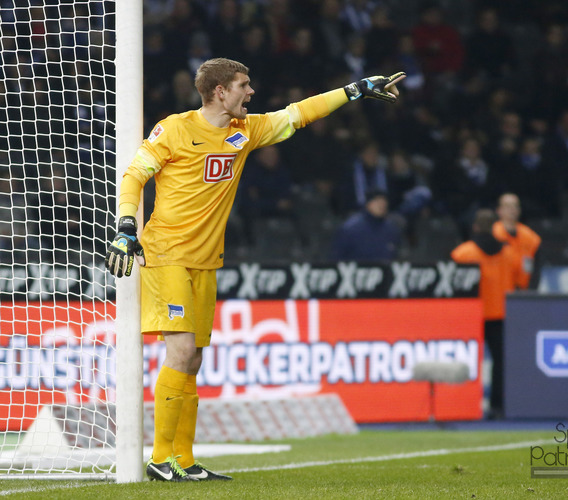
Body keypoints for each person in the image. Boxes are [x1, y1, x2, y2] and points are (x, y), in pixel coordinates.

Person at [105, 57, 405, 482]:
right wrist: (125, 227)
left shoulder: (245, 132)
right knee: (182, 351)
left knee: (194, 362)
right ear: (219, 91)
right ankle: (159, 458)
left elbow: (298, 113)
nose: (251, 92)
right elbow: (135, 176)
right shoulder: (173, 128)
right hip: (166, 253)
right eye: (244, 85)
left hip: (207, 261)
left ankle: (185, 461)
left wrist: (353, 91)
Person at [451, 209, 521, 419]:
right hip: (499, 313)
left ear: (474, 227)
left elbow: (454, 285)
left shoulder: (463, 253)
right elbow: (521, 280)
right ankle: (497, 406)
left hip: (471, 314)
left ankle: (462, 404)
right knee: (500, 361)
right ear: (494, 227)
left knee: (465, 358)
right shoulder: (508, 252)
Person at [329, 188, 402, 261]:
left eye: (383, 202)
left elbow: (399, 255)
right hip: (357, 271)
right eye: (377, 202)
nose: (381, 205)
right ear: (368, 204)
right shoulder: (351, 228)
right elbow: (337, 256)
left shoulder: (392, 229)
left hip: (386, 271)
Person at [492, 193, 542, 290]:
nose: (512, 209)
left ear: (519, 210)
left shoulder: (531, 238)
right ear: (499, 210)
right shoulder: (491, 235)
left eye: (515, 206)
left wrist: (531, 293)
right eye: (507, 206)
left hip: (522, 293)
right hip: (497, 291)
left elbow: (536, 269)